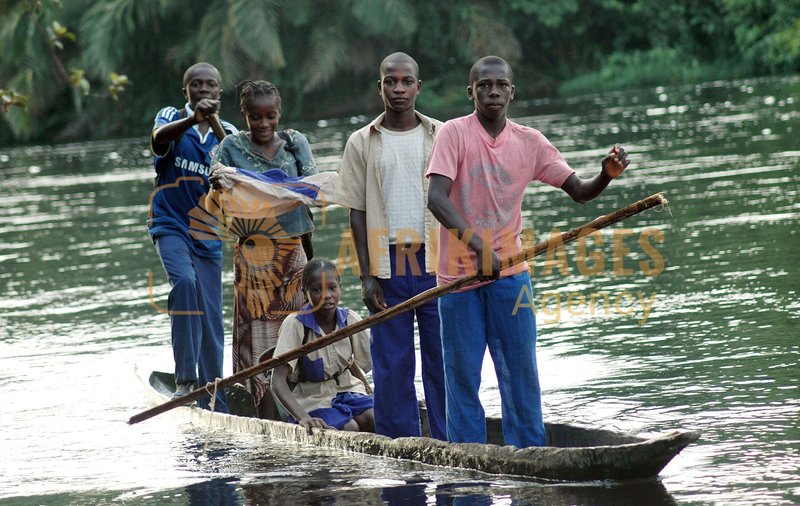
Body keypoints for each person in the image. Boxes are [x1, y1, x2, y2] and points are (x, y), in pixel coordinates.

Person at [426, 56, 630, 447]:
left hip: (511, 275)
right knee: (463, 377)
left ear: (512, 91)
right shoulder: (453, 134)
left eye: (501, 85)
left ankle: (529, 454)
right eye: (484, 85)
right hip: (458, 279)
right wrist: (478, 248)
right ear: (471, 92)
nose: (493, 92)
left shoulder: (530, 142)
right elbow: (436, 198)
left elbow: (580, 193)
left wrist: (606, 175)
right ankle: (469, 458)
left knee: (520, 372)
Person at [335, 52, 447, 440]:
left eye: (406, 81)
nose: (398, 88)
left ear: (419, 86)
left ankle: (449, 438)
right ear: (379, 87)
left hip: (436, 260)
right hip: (388, 264)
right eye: (391, 82)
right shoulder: (362, 142)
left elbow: (456, 200)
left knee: (443, 356)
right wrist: (367, 276)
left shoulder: (442, 134)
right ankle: (401, 442)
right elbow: (357, 211)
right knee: (392, 362)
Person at [211, 80, 318, 418]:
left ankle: (305, 403)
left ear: (279, 113)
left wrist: (280, 191)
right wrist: (221, 181)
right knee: (260, 337)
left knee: (299, 327)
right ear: (243, 116)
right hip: (253, 255)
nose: (263, 124)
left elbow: (313, 186)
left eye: (270, 116)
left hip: (293, 252)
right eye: (254, 117)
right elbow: (216, 185)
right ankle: (265, 410)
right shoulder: (230, 148)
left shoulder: (294, 143)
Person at [149, 62, 237, 410]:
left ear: (219, 93)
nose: (203, 90)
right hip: (169, 225)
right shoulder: (170, 117)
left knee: (212, 315)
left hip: (208, 233)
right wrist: (192, 119)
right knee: (184, 285)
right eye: (196, 85)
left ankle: (215, 388)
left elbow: (236, 159)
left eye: (211, 86)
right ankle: (186, 381)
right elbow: (158, 141)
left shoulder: (225, 129)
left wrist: (211, 121)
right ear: (185, 91)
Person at [270, 258, 375, 433]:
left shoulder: (350, 319)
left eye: (332, 288)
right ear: (305, 293)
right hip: (312, 398)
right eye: (317, 290)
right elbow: (276, 382)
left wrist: (398, 398)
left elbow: (372, 363)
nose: (326, 296)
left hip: (349, 391)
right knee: (350, 428)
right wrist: (304, 417)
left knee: (375, 418)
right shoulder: (295, 324)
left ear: (339, 287)